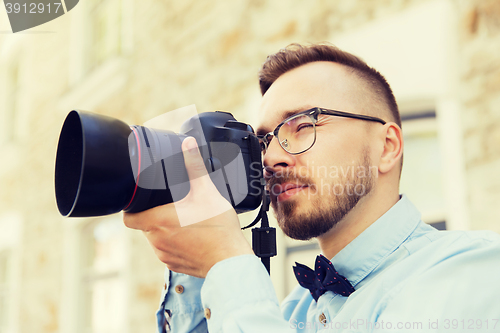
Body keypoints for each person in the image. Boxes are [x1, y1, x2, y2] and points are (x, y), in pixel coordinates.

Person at [123, 43, 500, 333]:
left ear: (387, 147)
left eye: (303, 125)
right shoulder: (288, 313)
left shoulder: (474, 270)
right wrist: (197, 264)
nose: (270, 159)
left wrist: (227, 260)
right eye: (264, 140)